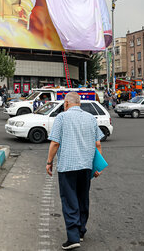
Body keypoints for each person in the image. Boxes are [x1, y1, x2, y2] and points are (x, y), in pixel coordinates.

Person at [46, 92, 104, 249]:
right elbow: (97, 144)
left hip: (67, 166)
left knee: (69, 200)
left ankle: (73, 238)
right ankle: (81, 231)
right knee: (82, 198)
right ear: (79, 104)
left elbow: (55, 143)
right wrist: (97, 167)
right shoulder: (91, 118)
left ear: (66, 104)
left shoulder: (62, 118)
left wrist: (49, 162)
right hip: (86, 166)